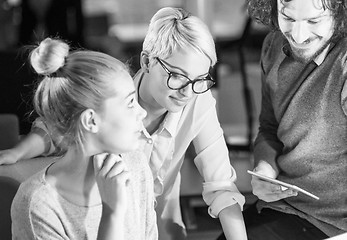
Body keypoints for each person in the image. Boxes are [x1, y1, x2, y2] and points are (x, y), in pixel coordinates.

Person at [2, 7, 247, 240]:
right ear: (147, 62)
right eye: (177, 76)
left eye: (199, 79)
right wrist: (18, 151)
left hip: (157, 216)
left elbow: (220, 183)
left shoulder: (193, 101)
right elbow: (61, 126)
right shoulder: (114, 98)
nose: (188, 91)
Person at [217, 0, 347, 239]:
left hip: (335, 225)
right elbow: (270, 128)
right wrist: (264, 171)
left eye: (314, 21)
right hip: (285, 208)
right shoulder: (273, 46)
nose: (297, 35)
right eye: (287, 17)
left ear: (340, 13)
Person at [10, 37, 158, 239]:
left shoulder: (136, 165)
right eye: (130, 102)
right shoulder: (38, 205)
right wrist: (112, 214)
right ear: (91, 121)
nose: (142, 113)